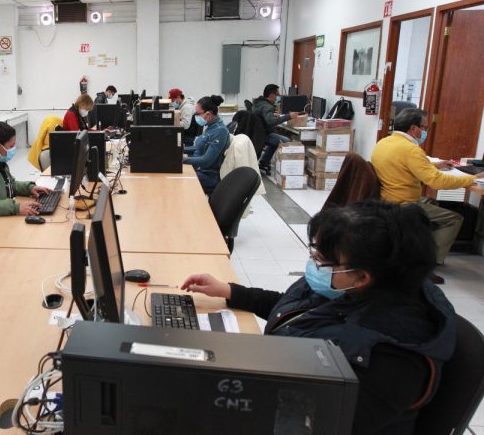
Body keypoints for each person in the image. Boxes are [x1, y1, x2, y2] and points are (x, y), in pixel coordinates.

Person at [182, 200, 456, 435]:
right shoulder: (360, 289)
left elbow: (310, 422)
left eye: (322, 259)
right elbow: (302, 312)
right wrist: (231, 292)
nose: (314, 264)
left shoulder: (391, 359)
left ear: (362, 276)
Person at [371, 108, 483, 282]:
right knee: (454, 218)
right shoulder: (411, 149)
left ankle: (416, 248)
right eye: (424, 128)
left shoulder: (384, 143)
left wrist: (436, 165)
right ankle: (427, 263)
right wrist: (471, 179)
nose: (425, 132)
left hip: (386, 197)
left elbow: (405, 165)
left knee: (432, 203)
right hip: (403, 203)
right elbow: (436, 182)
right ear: (414, 128)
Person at [251, 84, 304, 171]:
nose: (278, 97)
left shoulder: (258, 103)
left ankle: (264, 161)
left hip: (257, 133)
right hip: (263, 134)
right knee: (285, 140)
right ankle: (287, 168)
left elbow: (262, 115)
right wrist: (289, 116)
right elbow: (271, 121)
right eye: (277, 94)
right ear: (271, 95)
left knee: (276, 137)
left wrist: (272, 115)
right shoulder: (267, 106)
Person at [183, 95, 230, 193]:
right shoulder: (210, 126)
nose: (196, 116)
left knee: (177, 179)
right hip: (200, 170)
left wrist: (182, 160)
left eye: (197, 113)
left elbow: (206, 160)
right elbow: (199, 147)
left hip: (209, 176)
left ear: (208, 114)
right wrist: (179, 149)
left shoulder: (220, 131)